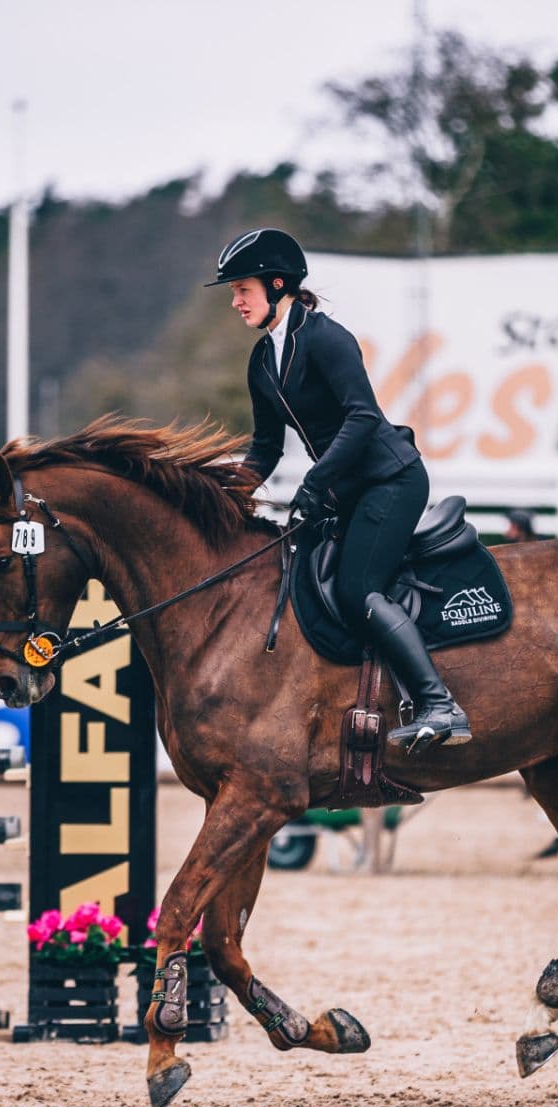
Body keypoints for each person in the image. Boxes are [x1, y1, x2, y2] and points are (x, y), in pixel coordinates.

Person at [211, 227, 472, 754]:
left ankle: (439, 703)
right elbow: (266, 446)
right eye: (235, 292)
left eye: (243, 290)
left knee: (358, 590)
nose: (236, 301)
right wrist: (222, 493)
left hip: (390, 480)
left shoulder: (327, 338)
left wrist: (315, 482)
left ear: (277, 284)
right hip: (344, 489)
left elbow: (362, 417)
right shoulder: (262, 361)